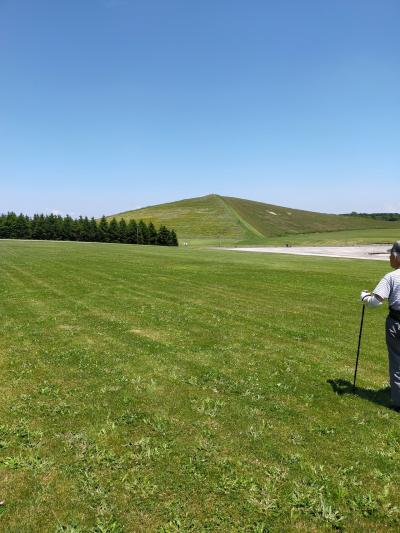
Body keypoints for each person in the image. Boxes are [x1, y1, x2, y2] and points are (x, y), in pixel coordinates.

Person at [360, 241, 400, 409]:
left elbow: (375, 302)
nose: (389, 257)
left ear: (397, 257)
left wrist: (364, 297)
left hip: (397, 323)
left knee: (397, 361)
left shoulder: (391, 277)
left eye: (391, 254)